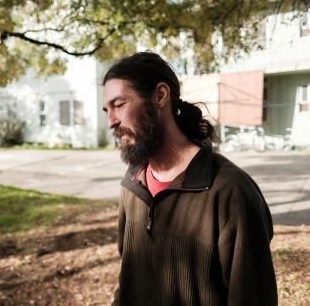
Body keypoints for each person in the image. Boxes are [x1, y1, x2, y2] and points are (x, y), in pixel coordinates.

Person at [102, 52, 278, 306]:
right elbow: (127, 276)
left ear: (160, 95)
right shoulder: (133, 184)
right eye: (107, 110)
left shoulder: (231, 192)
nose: (110, 122)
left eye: (119, 105)